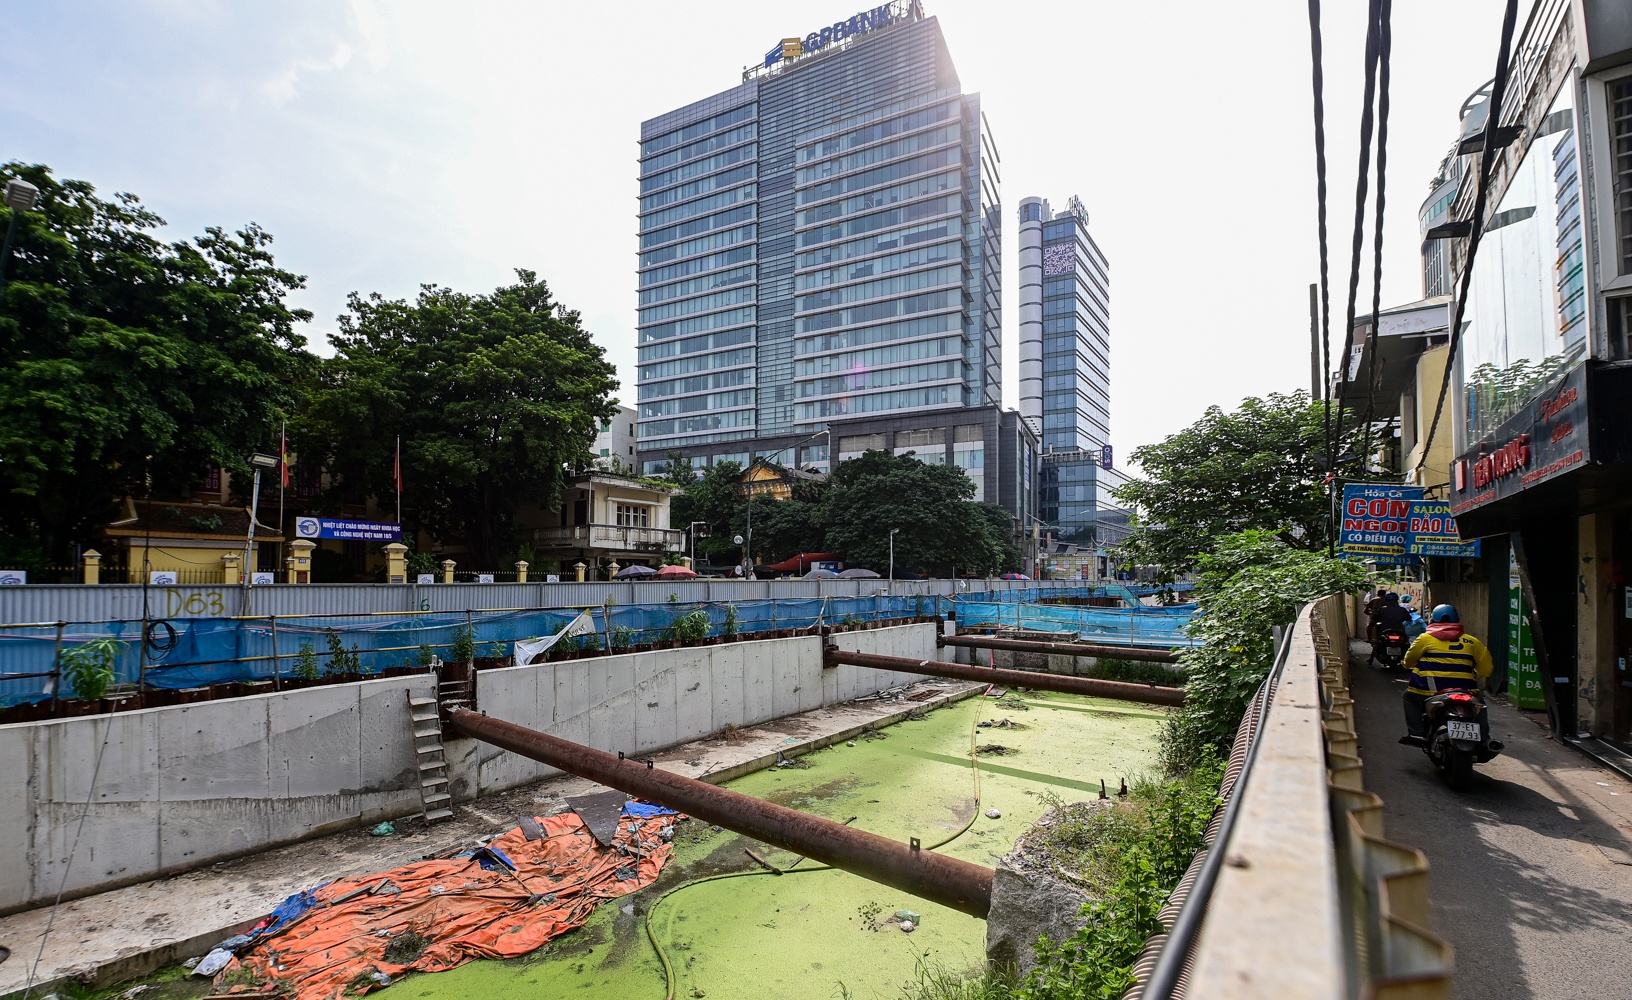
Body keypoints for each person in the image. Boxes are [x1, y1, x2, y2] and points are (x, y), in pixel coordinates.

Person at [1399, 604, 1494, 742]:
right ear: (1457, 620)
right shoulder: (1473, 642)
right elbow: (1486, 670)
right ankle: (1485, 739)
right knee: (1479, 705)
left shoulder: (1425, 639)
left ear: (1433, 620)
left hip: (1429, 690)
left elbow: (1408, 662)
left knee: (1409, 697)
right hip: (1466, 690)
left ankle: (1416, 733)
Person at [1369, 593, 1413, 663]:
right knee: (1406, 642)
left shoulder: (1382, 609)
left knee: (1377, 642)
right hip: (1399, 631)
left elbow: (1375, 618)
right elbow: (1409, 618)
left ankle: (1371, 657)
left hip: (1385, 631)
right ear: (1397, 600)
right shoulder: (1402, 610)